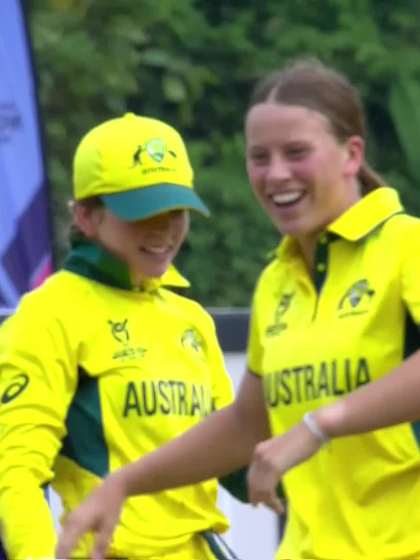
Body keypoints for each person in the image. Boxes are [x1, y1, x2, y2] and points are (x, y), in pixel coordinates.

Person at [56, 58, 420, 560]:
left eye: (296, 152)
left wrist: (321, 424)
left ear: (351, 154)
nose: (275, 174)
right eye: (259, 157)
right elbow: (250, 424)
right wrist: (124, 483)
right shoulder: (276, 279)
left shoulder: (407, 245)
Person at [0, 113, 243, 560]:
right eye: (142, 212)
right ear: (87, 217)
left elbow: (232, 456)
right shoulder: (47, 315)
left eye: (176, 210)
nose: (164, 228)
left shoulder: (191, 319)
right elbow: (16, 474)